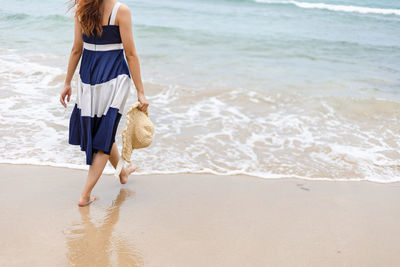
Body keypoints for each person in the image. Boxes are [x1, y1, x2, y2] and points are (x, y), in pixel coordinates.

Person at [59, 0, 148, 207]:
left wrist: (67, 83)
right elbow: (131, 54)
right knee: (105, 135)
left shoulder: (82, 10)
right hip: (113, 78)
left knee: (103, 130)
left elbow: (76, 50)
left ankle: (122, 173)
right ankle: (85, 195)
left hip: (88, 78)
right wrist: (141, 92)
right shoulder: (121, 11)